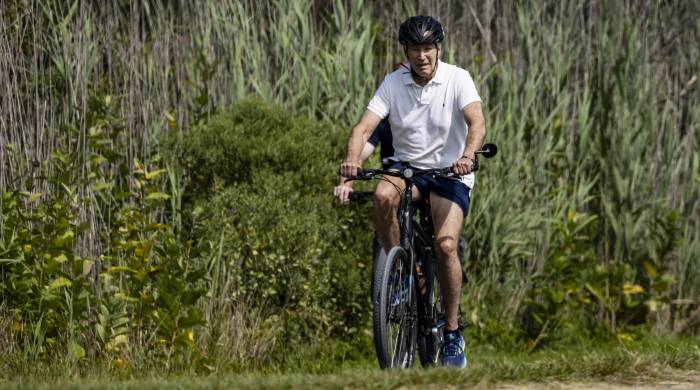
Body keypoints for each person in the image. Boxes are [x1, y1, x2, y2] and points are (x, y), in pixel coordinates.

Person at [339, 15, 486, 368]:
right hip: (408, 171)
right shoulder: (393, 82)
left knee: (446, 245)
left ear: (439, 49)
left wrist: (467, 155)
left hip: (450, 173)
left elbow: (476, 122)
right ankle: (400, 274)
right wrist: (349, 162)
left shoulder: (458, 78)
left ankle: (452, 334)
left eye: (428, 48)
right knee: (380, 196)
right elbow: (363, 129)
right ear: (406, 51)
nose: (422, 56)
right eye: (415, 49)